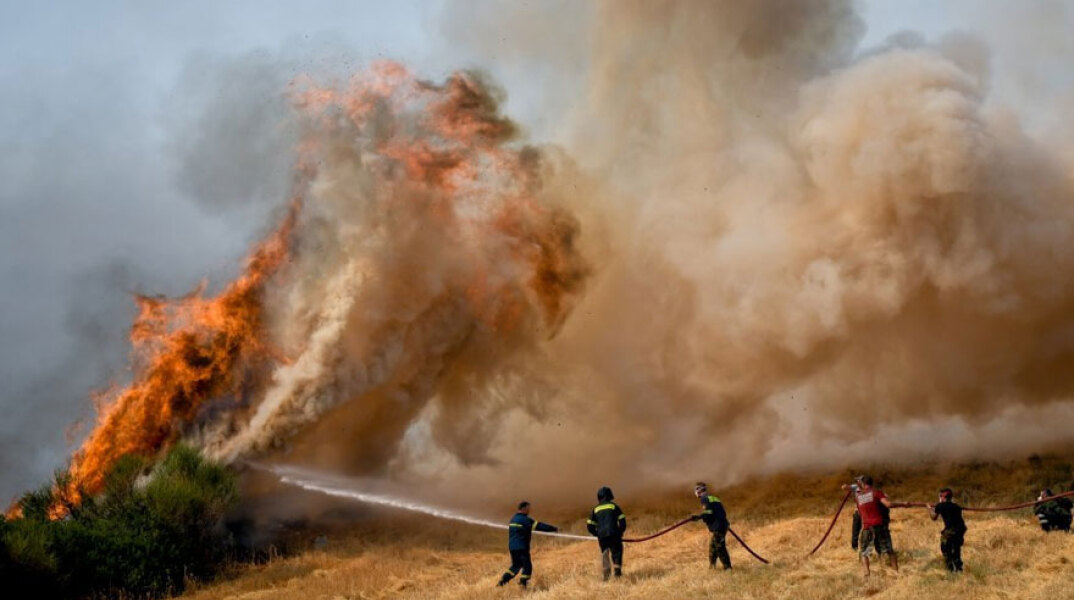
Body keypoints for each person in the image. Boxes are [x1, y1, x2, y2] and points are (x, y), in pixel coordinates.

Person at [842, 475, 898, 577]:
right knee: (889, 550)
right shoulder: (877, 493)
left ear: (863, 483)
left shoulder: (859, 496)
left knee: (864, 552)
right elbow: (888, 504)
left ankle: (867, 574)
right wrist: (903, 504)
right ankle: (896, 572)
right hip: (879, 525)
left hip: (867, 526)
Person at [498, 501, 559, 589]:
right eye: (528, 508)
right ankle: (523, 584)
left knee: (515, 566)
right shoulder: (525, 519)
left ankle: (502, 582)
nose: (529, 510)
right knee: (527, 567)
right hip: (522, 547)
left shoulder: (513, 518)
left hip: (512, 547)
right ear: (524, 508)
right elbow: (539, 526)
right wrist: (554, 529)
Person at [586, 486, 627, 581]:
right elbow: (622, 521)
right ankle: (617, 573)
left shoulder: (595, 509)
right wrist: (620, 532)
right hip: (614, 534)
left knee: (605, 553)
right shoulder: (614, 506)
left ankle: (606, 576)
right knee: (617, 552)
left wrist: (597, 534)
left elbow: (589, 525)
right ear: (609, 496)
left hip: (602, 536)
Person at [690, 482, 731, 570]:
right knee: (713, 546)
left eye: (696, 489)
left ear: (698, 490)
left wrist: (698, 517)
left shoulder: (704, 499)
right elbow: (719, 511)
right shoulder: (713, 498)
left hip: (719, 526)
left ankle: (728, 568)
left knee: (720, 548)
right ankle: (712, 567)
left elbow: (708, 512)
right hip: (722, 524)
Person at [927, 488, 966, 572]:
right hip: (960, 530)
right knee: (956, 550)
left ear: (942, 497)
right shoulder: (957, 506)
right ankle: (959, 569)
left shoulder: (940, 505)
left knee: (946, 550)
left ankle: (950, 570)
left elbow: (934, 517)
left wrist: (929, 508)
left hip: (950, 531)